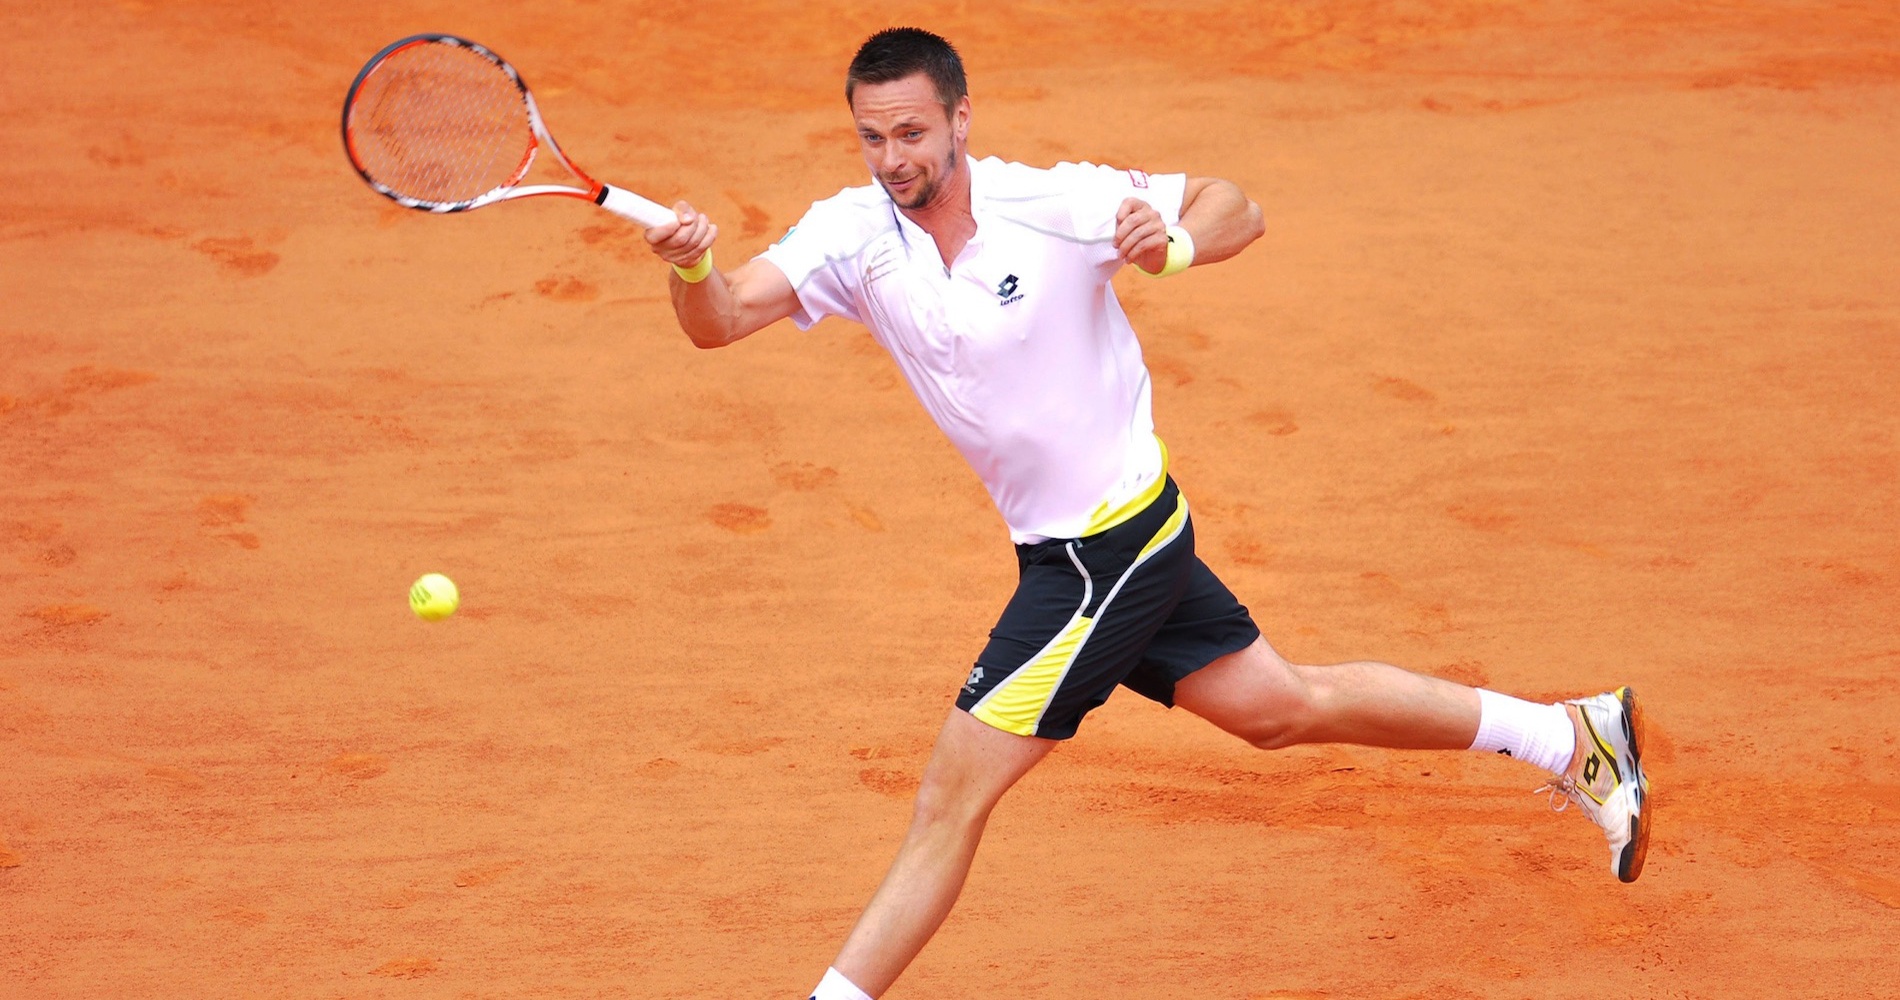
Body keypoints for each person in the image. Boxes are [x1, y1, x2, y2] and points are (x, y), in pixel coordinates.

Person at [638, 27, 1650, 1000]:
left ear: (958, 119)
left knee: (950, 797)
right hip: (1069, 550)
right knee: (1280, 708)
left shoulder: (1054, 203)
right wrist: (690, 264)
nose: (892, 158)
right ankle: (1571, 736)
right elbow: (721, 318)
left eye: (910, 133)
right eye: (871, 136)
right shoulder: (851, 234)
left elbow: (1235, 206)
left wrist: (1168, 246)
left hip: (1107, 552)